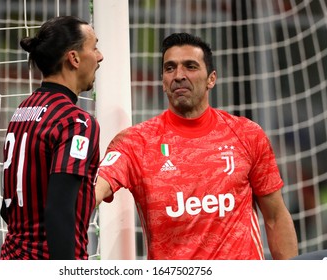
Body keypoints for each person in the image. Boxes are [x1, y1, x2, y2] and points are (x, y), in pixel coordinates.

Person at [95, 32, 298, 260]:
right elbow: (93, 190)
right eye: (170, 68)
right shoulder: (136, 142)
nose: (179, 75)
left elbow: (275, 217)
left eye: (190, 66)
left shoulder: (247, 134)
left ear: (211, 79)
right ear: (163, 80)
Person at [0, 16, 103, 260]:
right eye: (94, 47)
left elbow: (8, 208)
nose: (100, 56)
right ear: (74, 58)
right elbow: (59, 210)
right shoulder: (75, 121)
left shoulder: (22, 111)